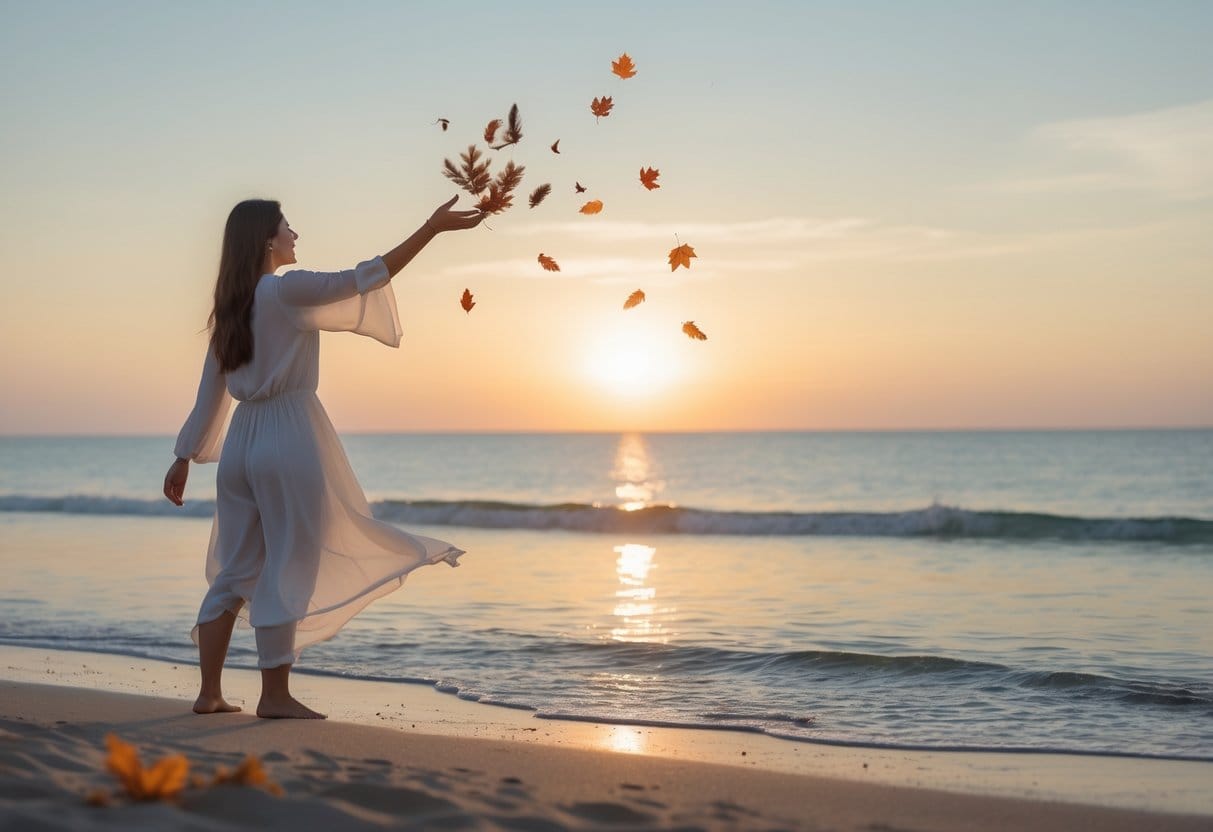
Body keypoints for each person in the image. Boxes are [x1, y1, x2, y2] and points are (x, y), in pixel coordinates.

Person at [163, 196, 484, 719]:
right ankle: (274, 697)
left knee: (237, 571)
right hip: (288, 433)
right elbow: (368, 276)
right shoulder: (287, 290)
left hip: (241, 444)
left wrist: (183, 457)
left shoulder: (232, 305)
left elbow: (210, 394)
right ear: (268, 239)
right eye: (287, 226)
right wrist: (433, 227)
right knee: (291, 562)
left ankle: (209, 694)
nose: (296, 233)